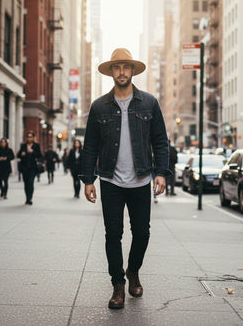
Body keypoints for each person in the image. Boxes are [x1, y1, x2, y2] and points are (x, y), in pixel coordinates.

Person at [80, 48, 169, 309]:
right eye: (116, 67)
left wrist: (161, 172)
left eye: (125, 67)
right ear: (111, 72)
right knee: (113, 234)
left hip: (141, 180)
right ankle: (118, 285)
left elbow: (160, 141)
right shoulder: (99, 106)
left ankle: (133, 270)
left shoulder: (149, 103)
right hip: (111, 182)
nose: (121, 72)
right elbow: (90, 147)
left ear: (132, 71)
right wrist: (88, 180)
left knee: (142, 233)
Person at [17, 132, 42, 205]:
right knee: (26, 183)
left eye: (30, 137)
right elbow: (18, 155)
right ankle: (27, 198)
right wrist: (22, 154)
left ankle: (30, 198)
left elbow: (39, 155)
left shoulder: (36, 145)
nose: (29, 138)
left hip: (33, 167)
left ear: (33, 137)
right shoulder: (23, 145)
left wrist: (33, 151)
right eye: (28, 136)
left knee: (30, 182)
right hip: (24, 167)